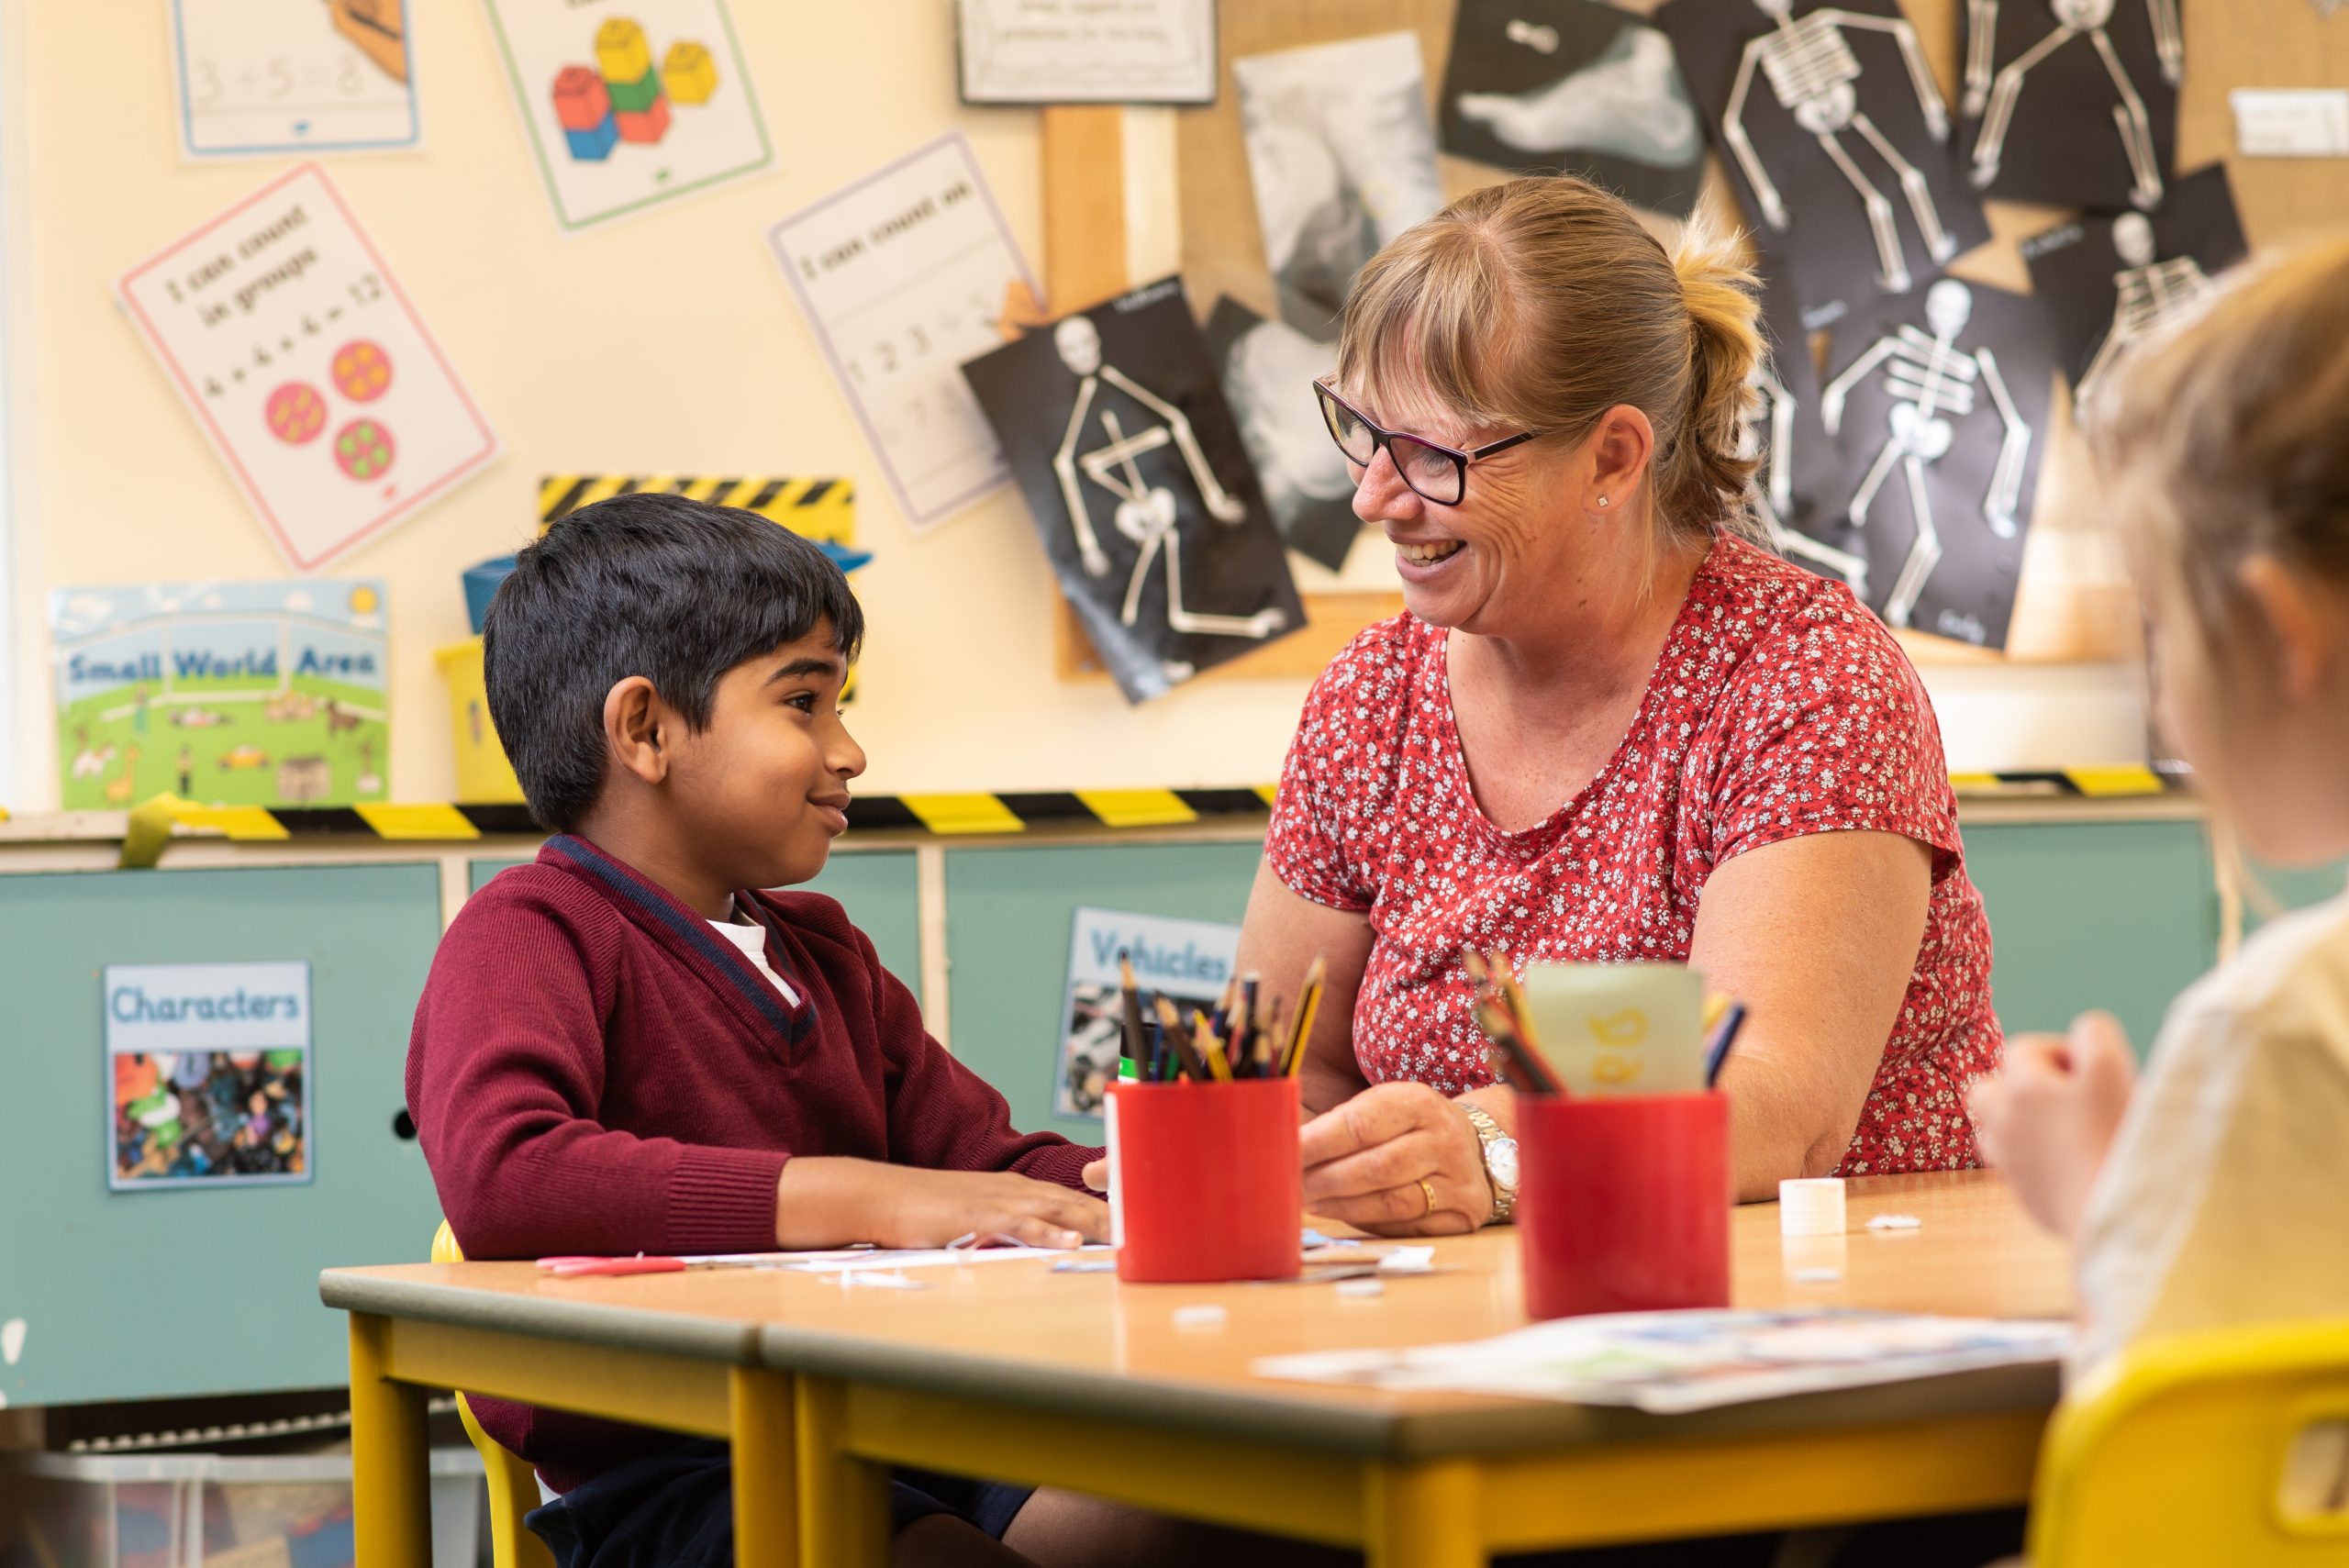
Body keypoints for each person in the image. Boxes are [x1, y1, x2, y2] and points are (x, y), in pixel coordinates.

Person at [1235, 175, 2001, 1232]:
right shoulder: (1372, 699)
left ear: (1612, 456)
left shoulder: (1801, 678)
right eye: (1363, 433)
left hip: (1824, 1294)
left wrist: (1490, 1148)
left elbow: (1776, 1104)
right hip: (1471, 1299)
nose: (1374, 496)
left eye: (1433, 456)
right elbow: (1284, 1068)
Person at [407, 495, 1122, 1568]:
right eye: (803, 702)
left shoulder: (825, 950)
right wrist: (872, 1197)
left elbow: (987, 1166)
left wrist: (1165, 1179)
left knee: (1269, 1513)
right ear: (644, 729)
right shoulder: (528, 930)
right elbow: (509, 1177)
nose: (850, 749)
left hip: (894, 1424)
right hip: (676, 1474)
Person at [1967, 241, 2349, 1385]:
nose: (2166, 697)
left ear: (2275, 629)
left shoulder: (2290, 1027)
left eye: (2159, 623)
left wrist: (2097, 1196)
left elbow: (2176, 1445)